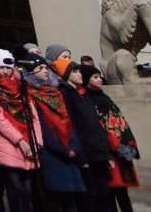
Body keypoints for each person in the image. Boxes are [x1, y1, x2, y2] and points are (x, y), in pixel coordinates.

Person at [0, 50, 42, 212]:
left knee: (29, 193)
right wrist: (19, 140)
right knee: (16, 191)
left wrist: (37, 141)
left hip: (28, 142)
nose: (6, 71)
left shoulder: (20, 85)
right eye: (1, 67)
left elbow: (33, 114)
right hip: (7, 143)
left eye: (8, 67)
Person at [23, 55, 83, 212]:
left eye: (45, 67)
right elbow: (41, 125)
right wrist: (62, 149)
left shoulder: (56, 93)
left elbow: (69, 119)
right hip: (52, 152)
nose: (45, 71)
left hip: (69, 148)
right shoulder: (31, 94)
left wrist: (73, 146)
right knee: (55, 201)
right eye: (39, 68)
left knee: (72, 202)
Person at [80, 65, 140, 212]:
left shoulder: (103, 96)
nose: (100, 79)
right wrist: (114, 147)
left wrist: (128, 148)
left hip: (120, 149)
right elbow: (101, 126)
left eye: (99, 76)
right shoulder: (88, 99)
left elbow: (119, 121)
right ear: (87, 80)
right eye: (95, 77)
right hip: (108, 151)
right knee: (109, 193)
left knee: (123, 193)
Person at [54, 58, 111, 211]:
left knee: (105, 194)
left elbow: (94, 124)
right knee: (92, 196)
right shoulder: (65, 94)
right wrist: (81, 155)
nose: (79, 74)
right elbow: (72, 126)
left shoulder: (82, 94)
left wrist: (106, 151)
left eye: (79, 70)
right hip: (86, 154)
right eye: (75, 71)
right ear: (66, 74)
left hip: (98, 152)